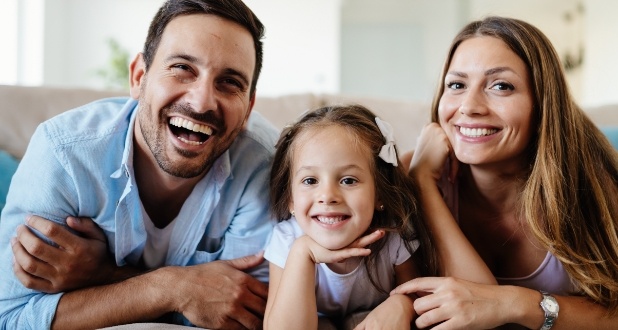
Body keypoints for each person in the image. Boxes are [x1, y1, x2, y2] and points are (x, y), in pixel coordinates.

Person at [0, 0, 279, 329]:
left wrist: (102, 275)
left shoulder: (266, 166)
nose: (202, 101)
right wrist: (172, 289)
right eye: (182, 68)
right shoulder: (64, 154)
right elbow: (11, 317)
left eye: (230, 82)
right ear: (139, 76)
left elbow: (243, 314)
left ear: (248, 108)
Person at [394, 16, 618, 329]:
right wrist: (422, 184)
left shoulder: (593, 181)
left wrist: (517, 303)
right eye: (456, 85)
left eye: (501, 86)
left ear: (542, 104)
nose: (469, 106)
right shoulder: (412, 173)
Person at [263, 105, 435, 329]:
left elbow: (416, 293)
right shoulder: (287, 240)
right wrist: (302, 252)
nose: (327, 196)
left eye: (348, 180)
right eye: (310, 181)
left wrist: (401, 303)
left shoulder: (394, 235)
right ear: (291, 200)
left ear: (380, 194)